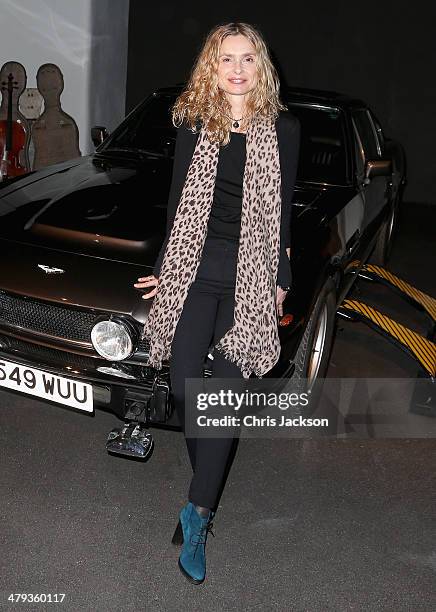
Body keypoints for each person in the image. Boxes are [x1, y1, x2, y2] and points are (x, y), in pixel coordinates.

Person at [133, 21, 300, 584]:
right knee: (184, 385)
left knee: (222, 393)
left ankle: (199, 514)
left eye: (247, 58)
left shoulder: (284, 130)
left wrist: (279, 275)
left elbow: (281, 216)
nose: (236, 68)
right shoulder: (193, 128)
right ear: (211, 65)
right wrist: (163, 269)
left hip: (251, 271)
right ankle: (201, 492)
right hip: (196, 268)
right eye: (225, 58)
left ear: (261, 66)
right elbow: (180, 205)